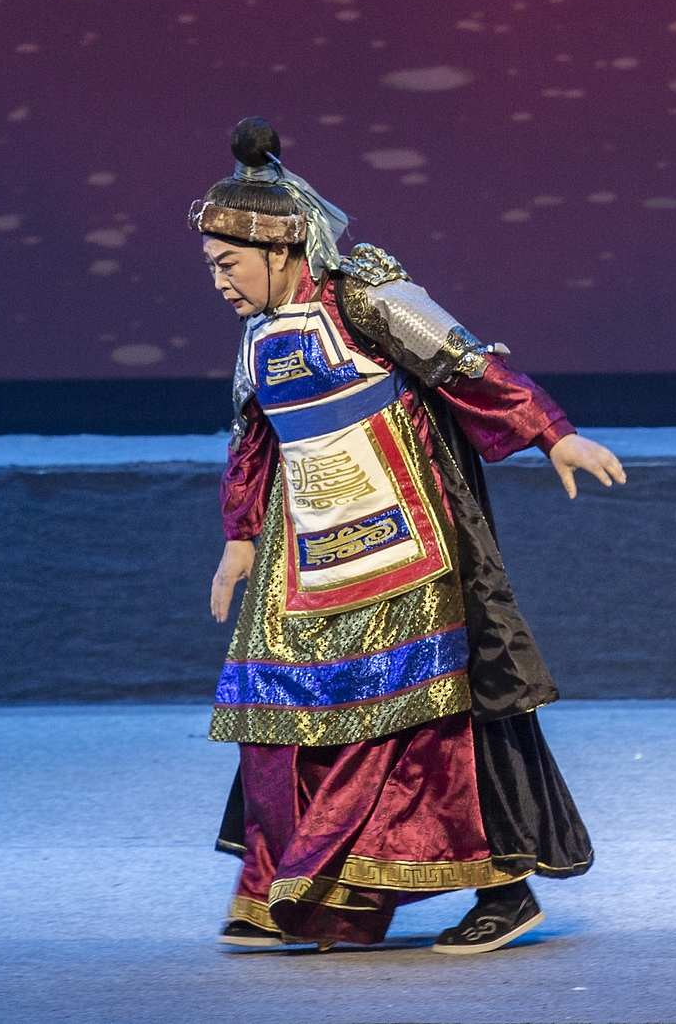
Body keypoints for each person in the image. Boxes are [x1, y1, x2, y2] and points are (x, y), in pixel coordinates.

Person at [198, 117, 626, 953]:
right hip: (306, 549)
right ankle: (287, 884)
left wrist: (552, 433)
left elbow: (467, 365)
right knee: (278, 705)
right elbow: (253, 441)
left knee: (430, 716)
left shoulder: (364, 295)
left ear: (279, 248)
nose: (218, 281)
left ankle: (504, 890)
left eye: (227, 263)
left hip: (405, 540)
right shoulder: (257, 336)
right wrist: (240, 538)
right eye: (211, 265)